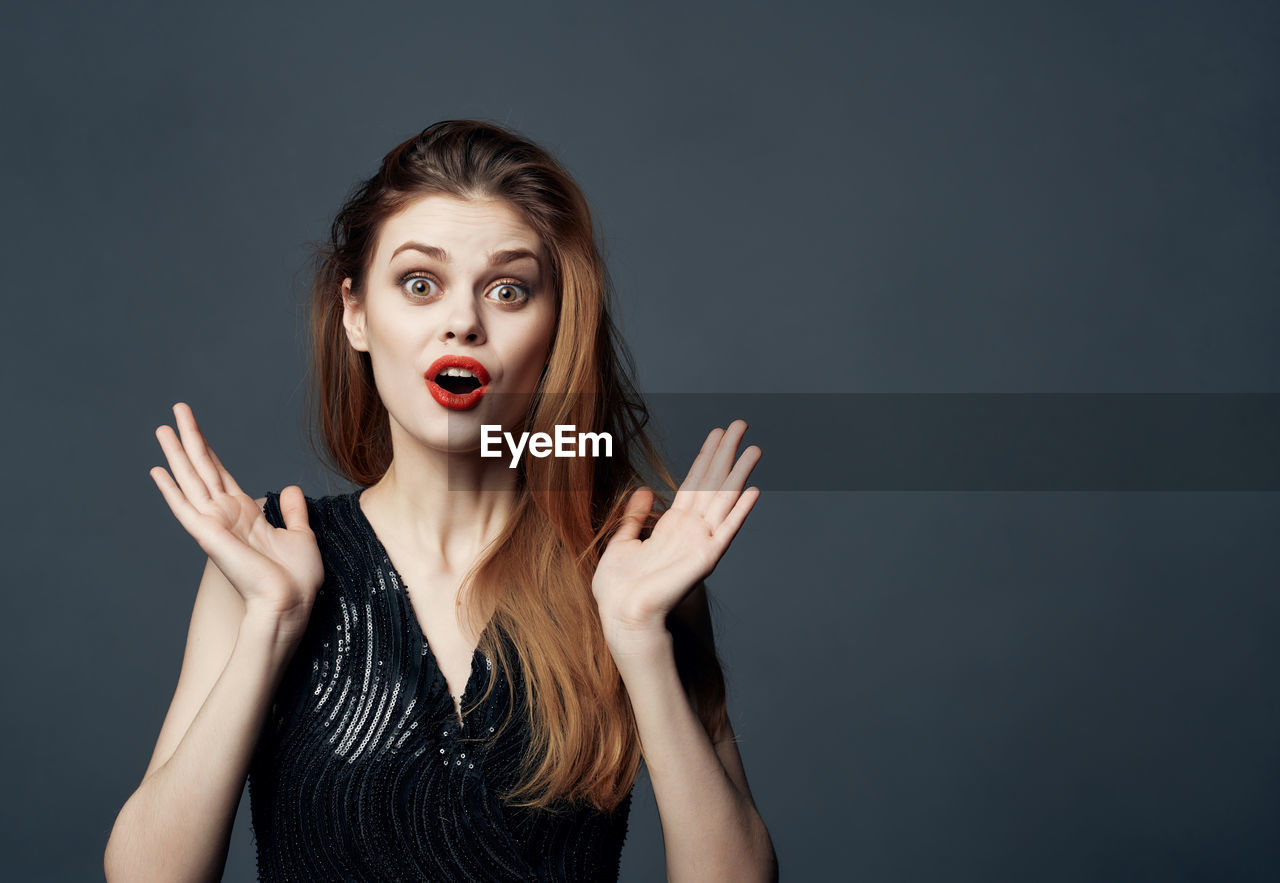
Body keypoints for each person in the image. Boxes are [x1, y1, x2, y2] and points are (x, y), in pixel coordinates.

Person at [104, 120, 778, 882]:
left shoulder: (627, 568)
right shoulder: (267, 562)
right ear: (355, 312)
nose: (463, 321)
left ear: (555, 328)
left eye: (508, 289)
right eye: (420, 283)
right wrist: (273, 622)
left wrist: (638, 637)